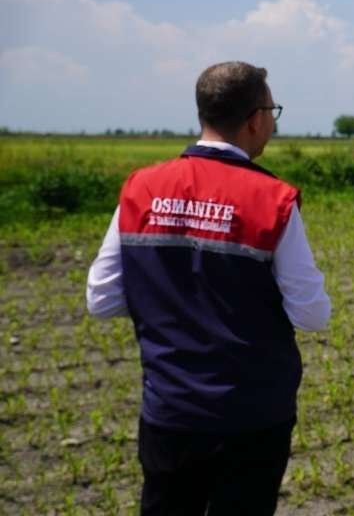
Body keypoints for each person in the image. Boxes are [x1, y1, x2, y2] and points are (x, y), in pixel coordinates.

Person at [86, 61, 331, 515]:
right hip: (254, 415)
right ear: (256, 117)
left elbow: (102, 299)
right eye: (273, 111)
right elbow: (312, 314)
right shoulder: (272, 200)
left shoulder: (141, 188)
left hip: (171, 408)